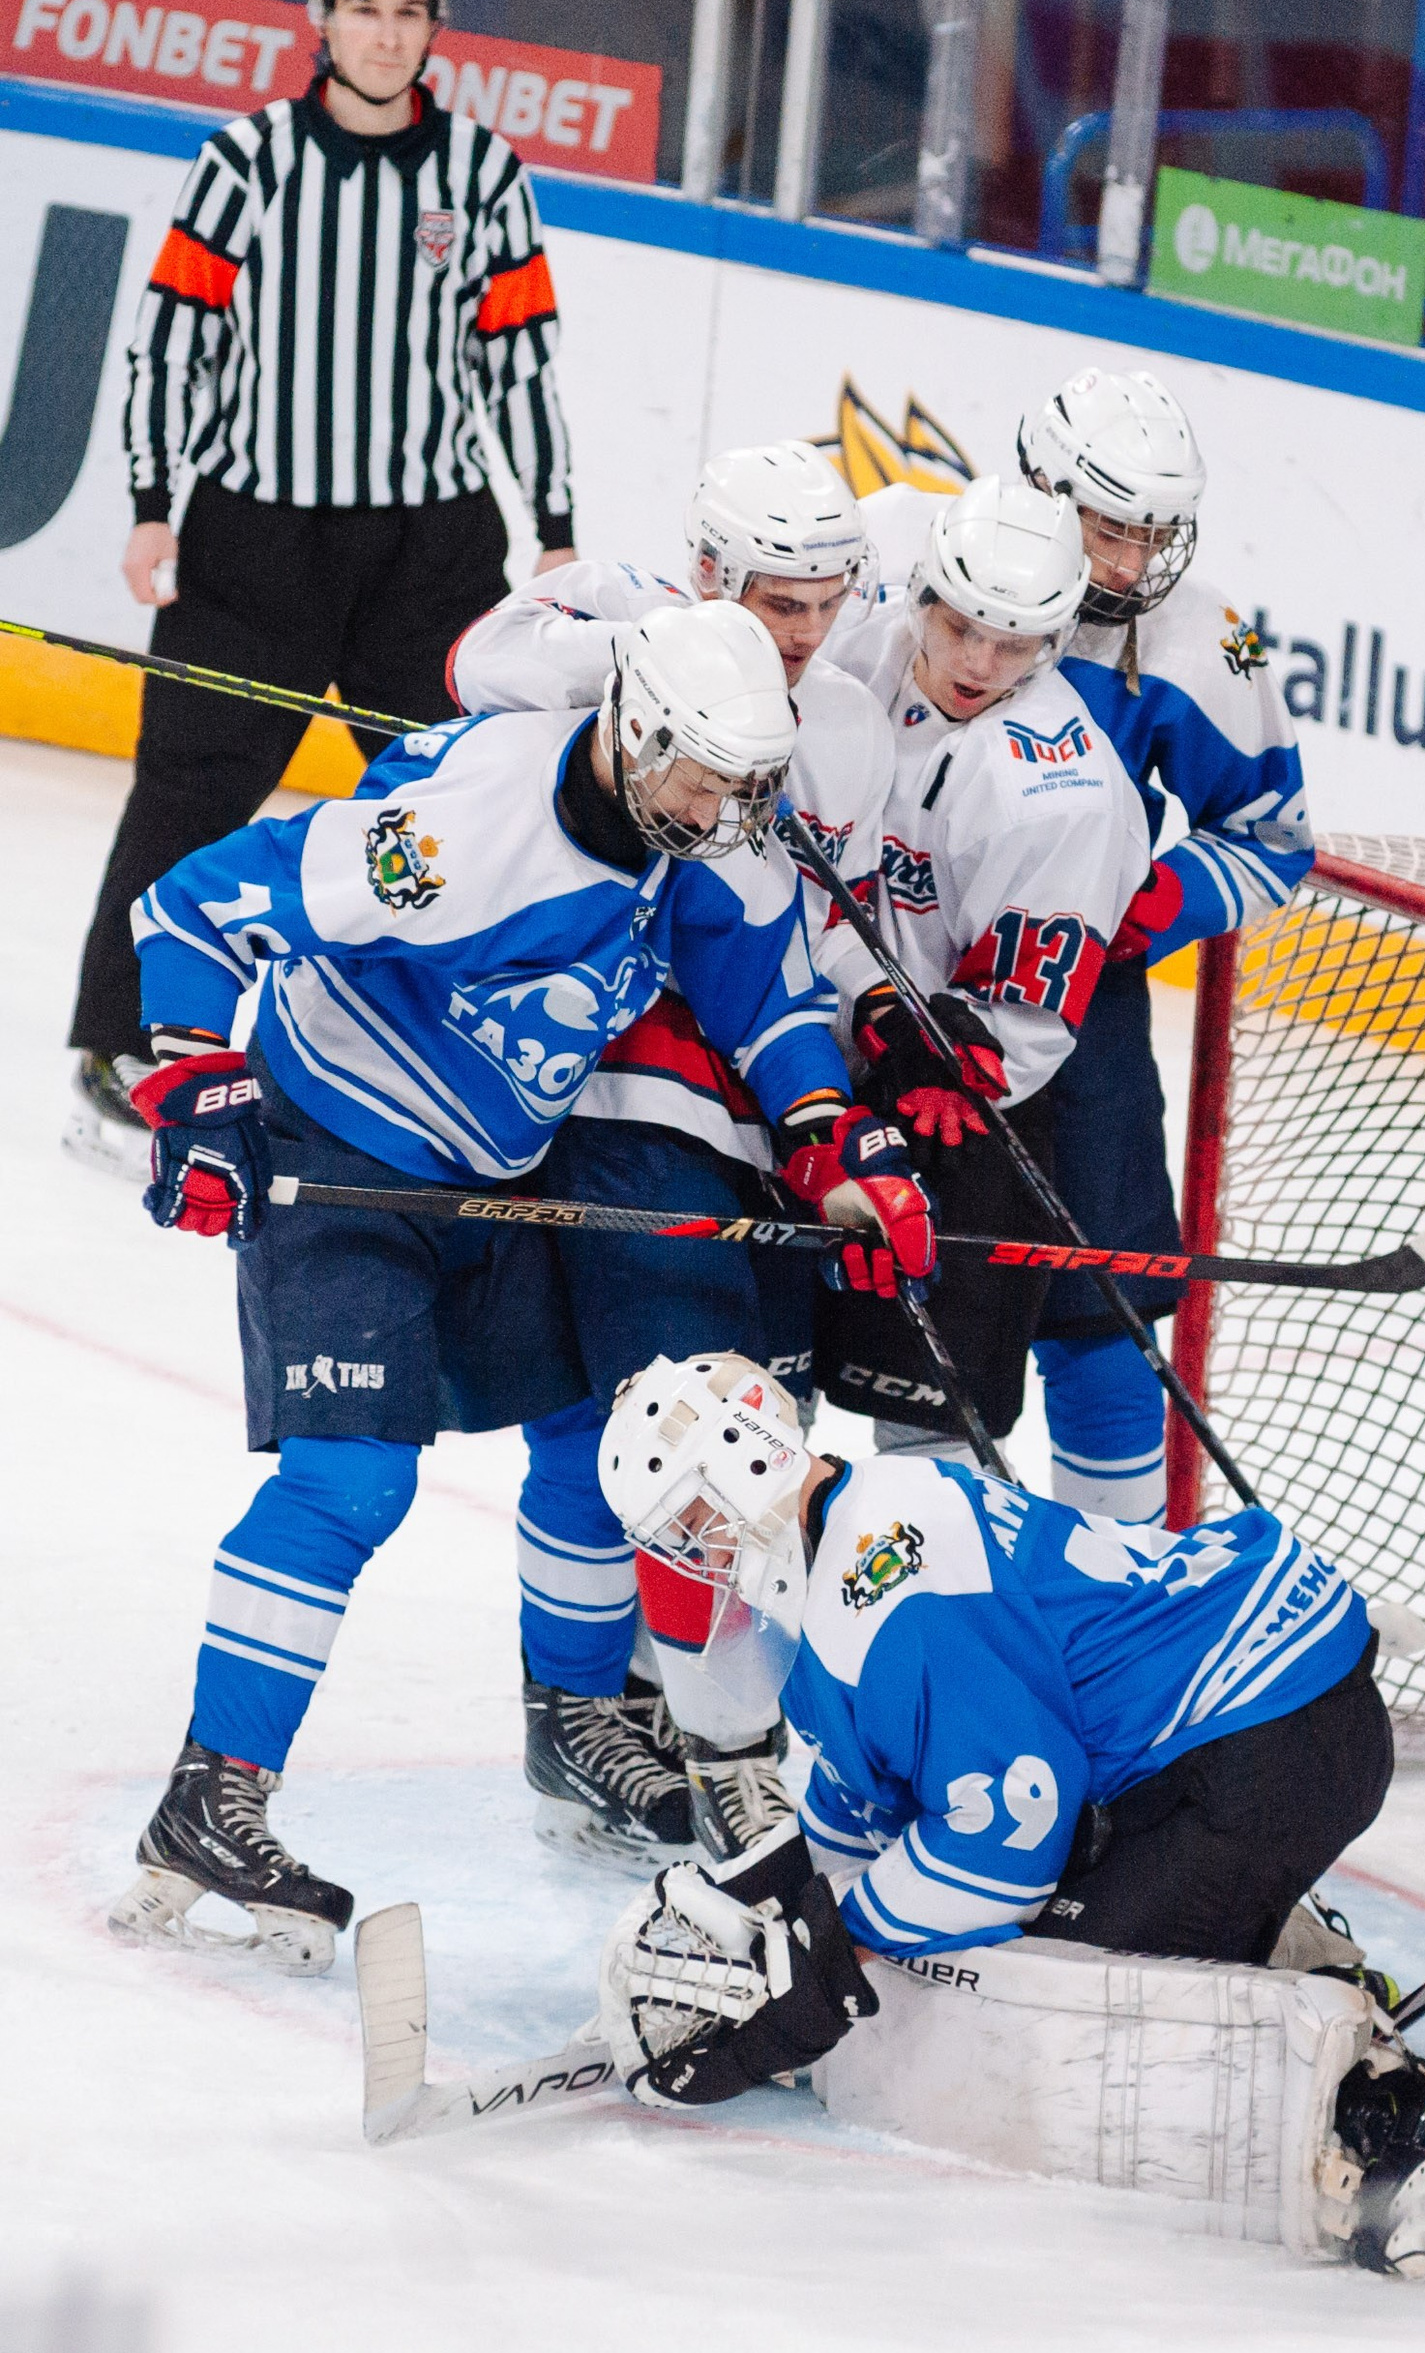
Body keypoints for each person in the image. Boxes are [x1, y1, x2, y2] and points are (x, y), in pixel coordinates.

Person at [107, 605, 925, 1974]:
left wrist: (836, 1147)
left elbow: (766, 1002)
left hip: (485, 1176)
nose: (729, 812)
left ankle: (574, 1726)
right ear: (638, 734)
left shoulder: (695, 835)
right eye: (707, 781)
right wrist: (194, 1081)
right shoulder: (469, 827)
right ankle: (213, 1797)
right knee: (348, 1485)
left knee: (582, 1433)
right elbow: (194, 901)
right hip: (343, 1146)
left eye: (745, 787)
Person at [581, 1347, 1425, 2274]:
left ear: (747, 1462)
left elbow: (1004, 1847)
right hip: (1234, 1733)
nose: (694, 1554)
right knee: (978, 1949)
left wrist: (832, 1947)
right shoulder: (853, 1537)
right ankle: (1288, 1956)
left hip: (1272, 1741)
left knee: (1057, 2005)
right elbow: (866, 1799)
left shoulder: (891, 1579)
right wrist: (771, 1920)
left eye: (690, 1520)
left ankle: (1397, 2124)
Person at [449, 442, 907, 1861]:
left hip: (762, 1110)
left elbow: (812, 933)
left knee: (755, 1415)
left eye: (828, 601)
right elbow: (474, 667)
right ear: (710, 570)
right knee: (647, 1418)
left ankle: (653, 1699)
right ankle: (651, 1731)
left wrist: (848, 1094)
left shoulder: (846, 719)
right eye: (777, 599)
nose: (804, 629)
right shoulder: (616, 615)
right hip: (612, 1097)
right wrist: (634, 654)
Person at [68, 0, 578, 1175]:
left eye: (408, 10)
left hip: (431, 549)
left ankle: (450, 1046)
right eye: (364, 7)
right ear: (320, 16)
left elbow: (520, 364)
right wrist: (151, 499)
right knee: (190, 787)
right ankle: (119, 1042)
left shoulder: (483, 172)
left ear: (435, 21)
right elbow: (175, 340)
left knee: (460, 799)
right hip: (256, 536)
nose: (386, 33)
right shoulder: (243, 161)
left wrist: (555, 527)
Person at [828, 369, 1309, 1524]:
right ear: (1037, 487)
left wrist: (1143, 906)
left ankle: (1117, 1587)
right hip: (854, 962)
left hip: (1055, 996)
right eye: (1107, 527)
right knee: (858, 1292)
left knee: (1104, 1306)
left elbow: (1276, 840)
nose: (1133, 565)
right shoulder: (907, 544)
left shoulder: (1204, 641)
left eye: (1153, 533)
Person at [806, 473, 1150, 1476]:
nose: (979, 662)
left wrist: (952, 1042)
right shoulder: (845, 627)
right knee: (745, 1375)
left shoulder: (1066, 795)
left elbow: (1022, 1026)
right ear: (920, 592)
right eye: (960, 627)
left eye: (1017, 644)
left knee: (929, 1420)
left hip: (936, 1099)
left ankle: (934, 1617)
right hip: (778, 1054)